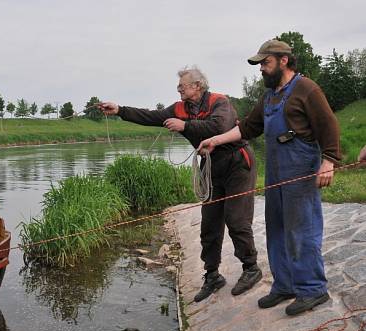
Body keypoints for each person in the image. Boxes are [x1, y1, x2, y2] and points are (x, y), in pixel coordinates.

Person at [198, 40, 342, 316]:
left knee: (302, 230)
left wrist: (329, 161)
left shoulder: (307, 89)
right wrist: (215, 140)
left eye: (265, 63)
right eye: (260, 64)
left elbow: (328, 125)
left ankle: (312, 289)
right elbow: (248, 128)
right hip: (276, 173)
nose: (261, 69)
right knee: (276, 229)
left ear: (283, 60)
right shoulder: (269, 96)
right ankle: (285, 285)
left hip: (300, 172)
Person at [99, 67, 262, 302]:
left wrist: (184, 126)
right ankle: (213, 275)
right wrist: (119, 111)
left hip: (238, 163)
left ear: (197, 86)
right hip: (210, 167)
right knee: (210, 225)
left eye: (182, 86)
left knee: (237, 220)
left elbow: (219, 128)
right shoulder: (179, 109)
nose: (178, 89)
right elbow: (150, 116)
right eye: (178, 86)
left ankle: (251, 269)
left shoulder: (220, 102)